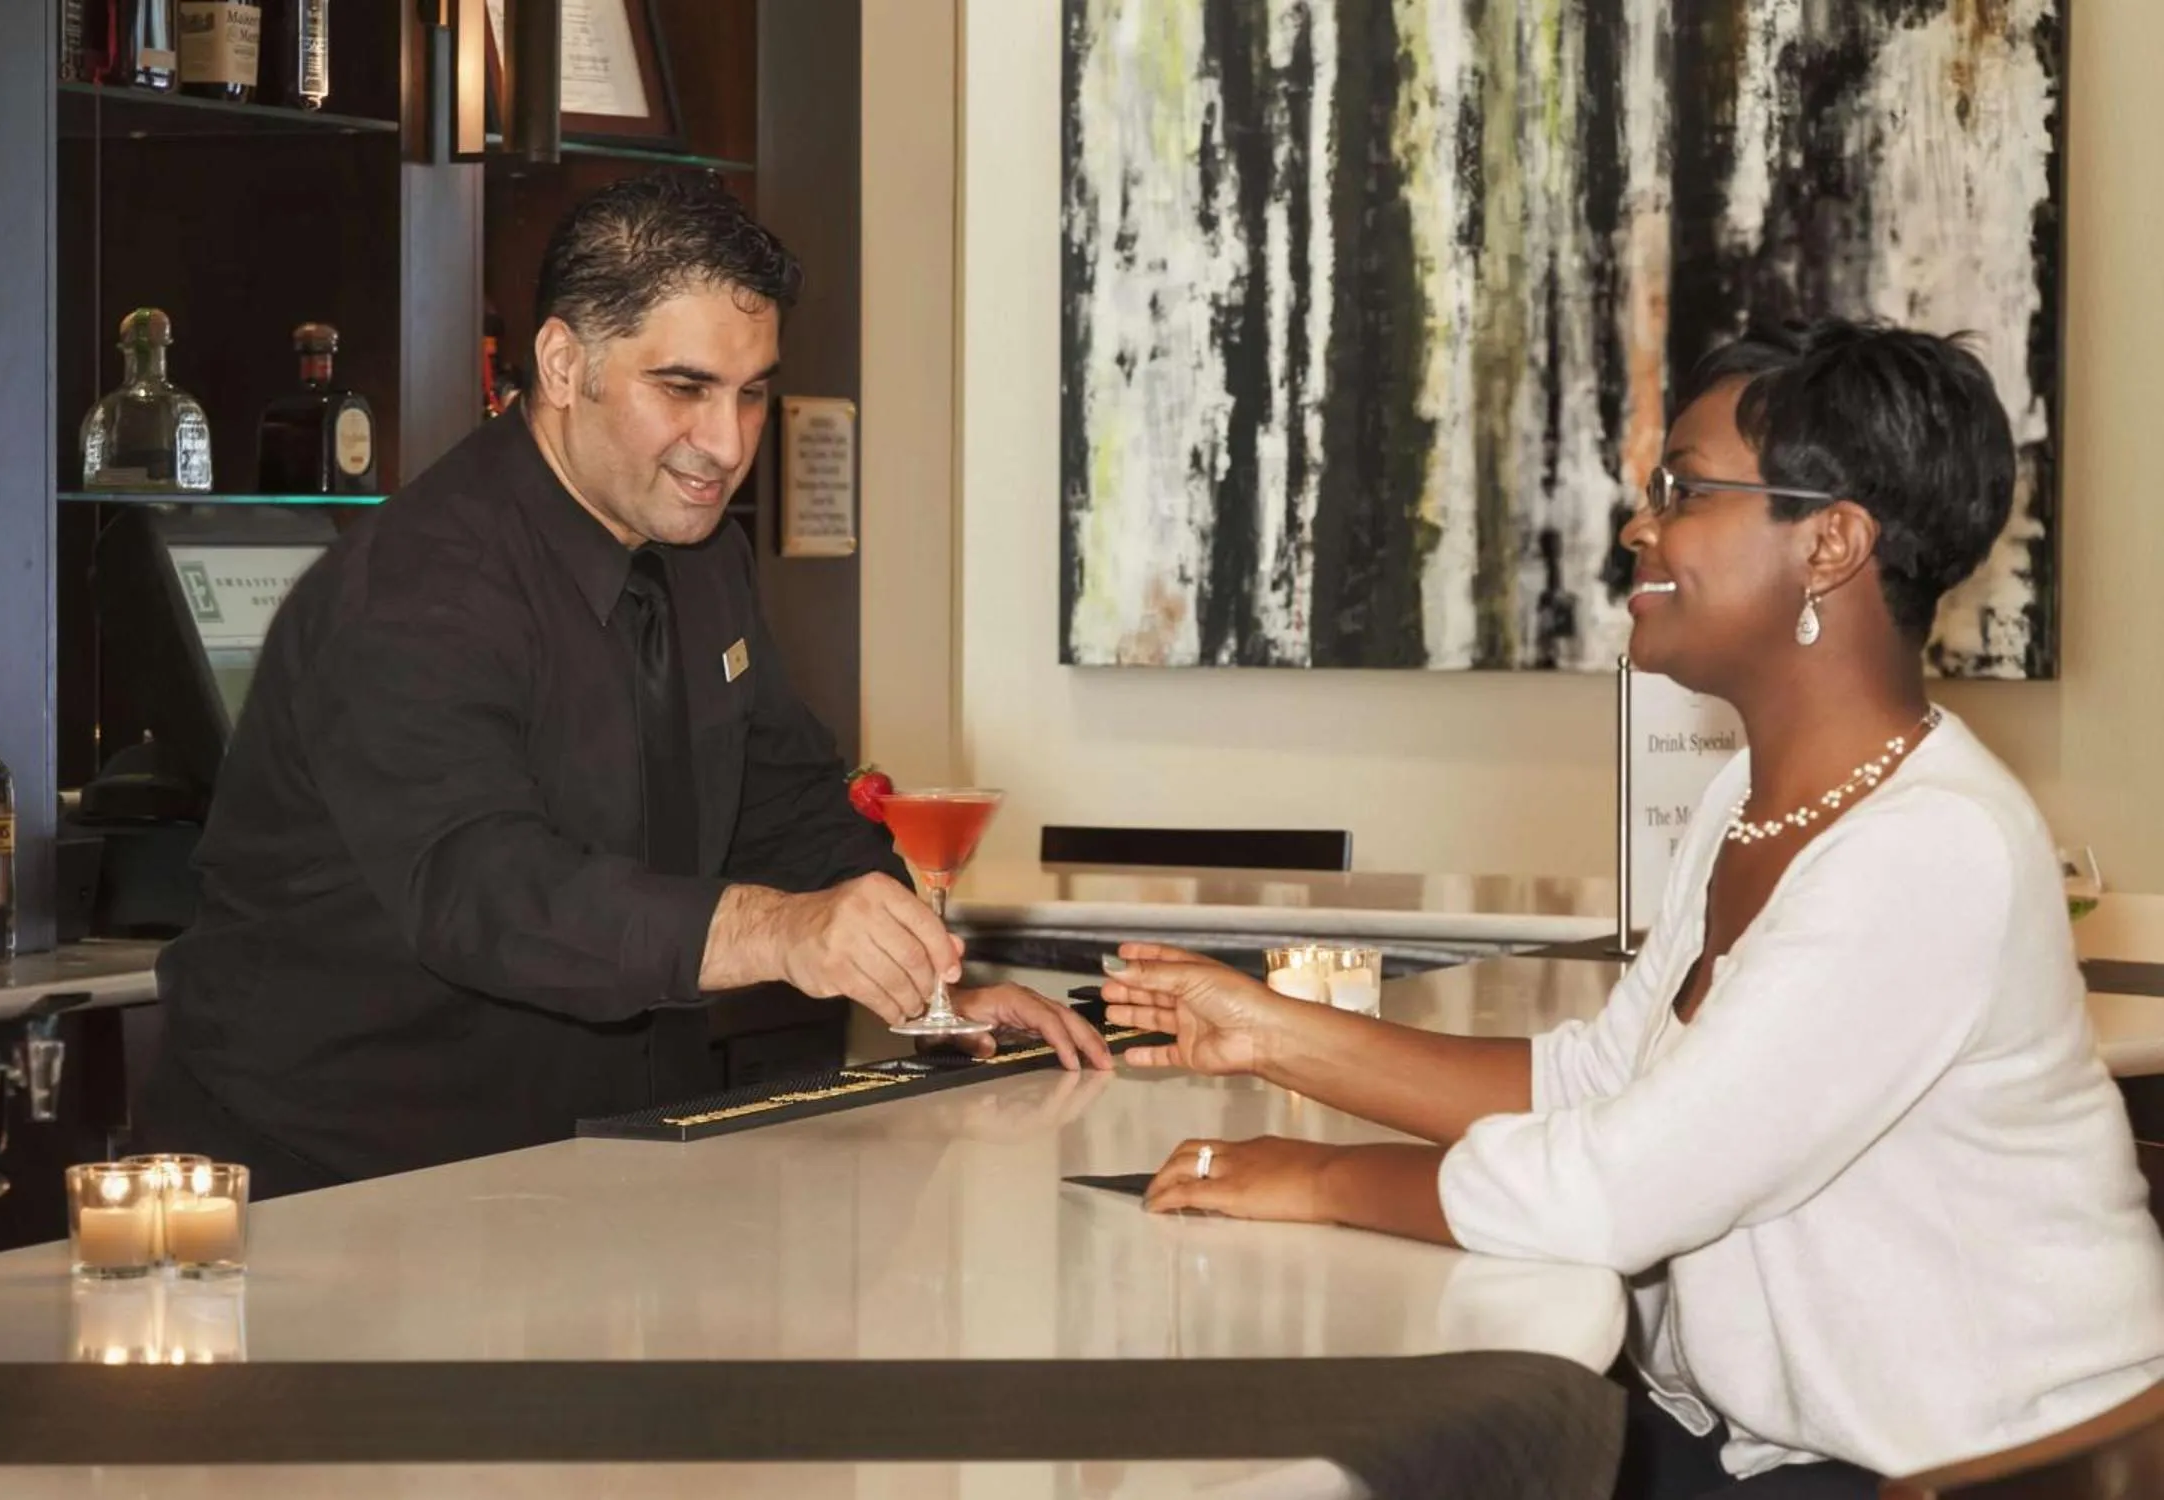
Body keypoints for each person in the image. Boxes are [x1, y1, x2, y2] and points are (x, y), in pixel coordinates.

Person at [1102, 322, 2164, 1497]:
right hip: (1758, 1444)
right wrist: (1270, 1035)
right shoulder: (1746, 802)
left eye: (1685, 490)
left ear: (1831, 542)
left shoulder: (1930, 849)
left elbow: (1611, 1191)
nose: (1639, 526)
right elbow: (1605, 1084)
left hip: (1971, 1474)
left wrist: (1315, 1183)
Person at [141, 173, 1107, 1194]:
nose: (729, 446)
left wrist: (935, 991)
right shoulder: (420, 586)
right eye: (684, 390)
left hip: (583, 1160)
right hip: (338, 1183)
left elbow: (780, 800)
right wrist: (778, 931)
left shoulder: (699, 554)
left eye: (751, 392)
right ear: (564, 365)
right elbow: (483, 888)